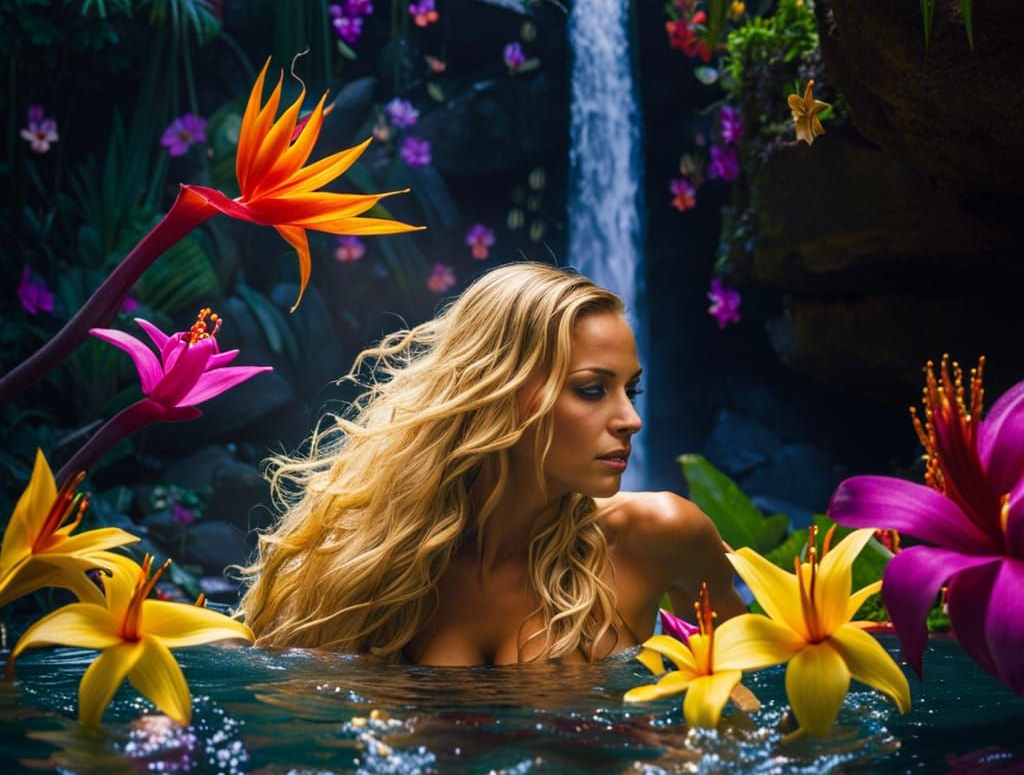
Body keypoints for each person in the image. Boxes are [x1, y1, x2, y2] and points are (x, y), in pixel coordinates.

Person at [238, 262, 745, 664]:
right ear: (498, 393)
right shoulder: (366, 567)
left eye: (629, 389)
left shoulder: (658, 536)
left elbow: (749, 718)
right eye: (592, 390)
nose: (631, 419)